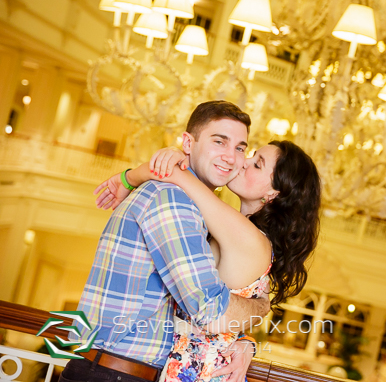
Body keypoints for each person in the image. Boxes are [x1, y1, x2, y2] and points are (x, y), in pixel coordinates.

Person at [93, 124, 321, 382]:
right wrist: (247, 340)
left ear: (273, 193)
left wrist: (130, 177)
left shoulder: (250, 239)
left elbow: (174, 175)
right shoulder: (241, 232)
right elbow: (245, 306)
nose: (243, 162)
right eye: (252, 155)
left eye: (257, 164)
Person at [62, 102, 269, 382]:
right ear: (188, 143)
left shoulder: (188, 201)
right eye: (219, 141)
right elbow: (209, 312)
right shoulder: (173, 201)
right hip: (114, 373)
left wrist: (245, 342)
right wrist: (260, 307)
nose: (231, 157)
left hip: (113, 370)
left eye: (240, 148)